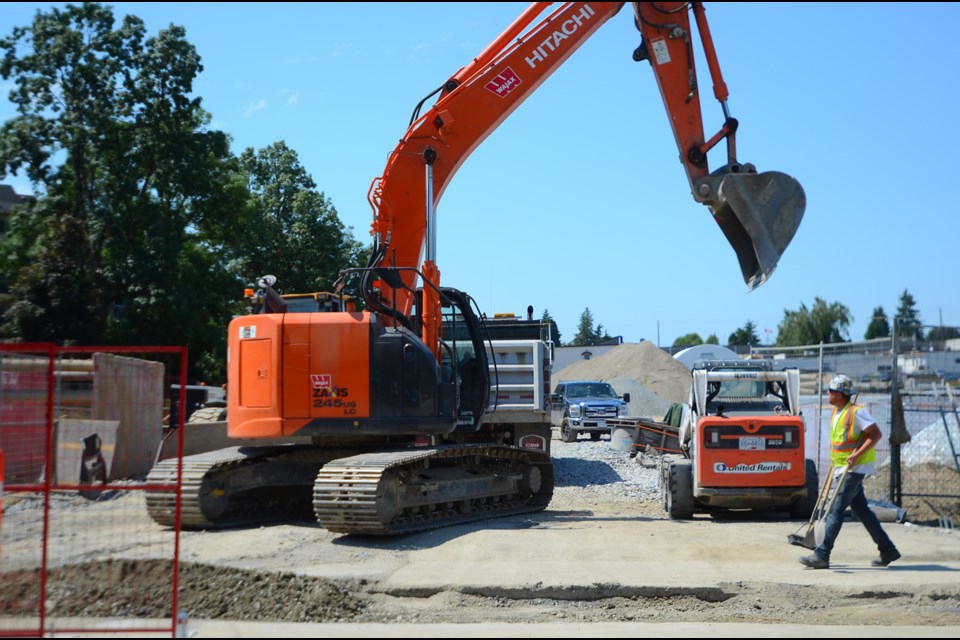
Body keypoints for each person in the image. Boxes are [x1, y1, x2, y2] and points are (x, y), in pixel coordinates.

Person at [799, 374, 901, 569]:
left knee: (835, 510)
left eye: (830, 390)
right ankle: (887, 549)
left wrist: (856, 456)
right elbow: (842, 443)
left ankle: (822, 554)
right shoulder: (838, 412)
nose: (827, 393)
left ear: (839, 394)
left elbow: (876, 434)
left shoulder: (856, 412)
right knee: (862, 510)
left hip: (854, 468)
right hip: (841, 467)